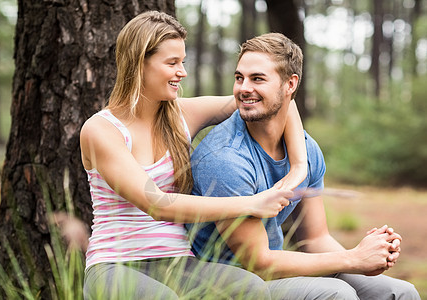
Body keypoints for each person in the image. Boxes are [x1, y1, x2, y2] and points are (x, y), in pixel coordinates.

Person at [79, 11, 308, 299]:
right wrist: (251, 204)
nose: (182, 72)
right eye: (172, 63)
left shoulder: (181, 115)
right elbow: (157, 203)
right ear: (140, 63)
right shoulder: (101, 129)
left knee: (251, 289)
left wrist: (298, 168)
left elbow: (275, 99)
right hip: (115, 265)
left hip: (177, 263)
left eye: (182, 62)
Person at [186, 32, 421, 299]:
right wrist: (354, 258)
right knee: (337, 294)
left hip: (278, 267)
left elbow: (316, 239)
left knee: (400, 292)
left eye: (257, 78)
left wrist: (369, 255)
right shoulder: (225, 158)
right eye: (239, 77)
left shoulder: (306, 151)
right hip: (230, 280)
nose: (243, 88)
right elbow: (259, 263)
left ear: (290, 85)